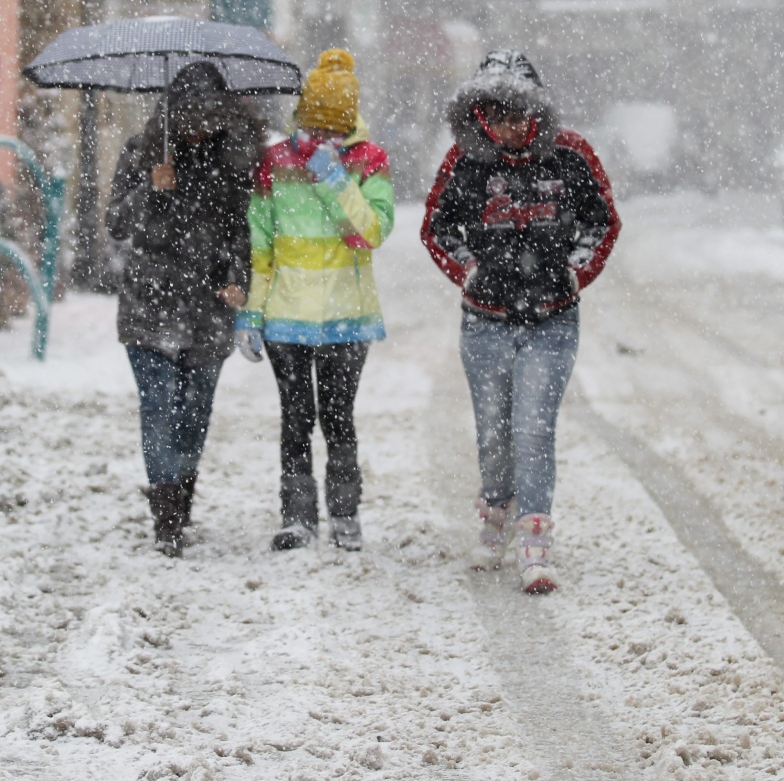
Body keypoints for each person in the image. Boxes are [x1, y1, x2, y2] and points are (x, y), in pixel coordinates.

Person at [421, 50, 619, 594]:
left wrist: (576, 272)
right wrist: (470, 271)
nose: (510, 128)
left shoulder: (572, 155)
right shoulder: (464, 162)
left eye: (518, 115)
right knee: (493, 429)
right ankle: (493, 516)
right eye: (497, 115)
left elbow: (602, 222)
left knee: (533, 426)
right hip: (484, 322)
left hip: (552, 320)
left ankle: (535, 536)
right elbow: (436, 227)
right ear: (479, 115)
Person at [235, 49, 394, 552]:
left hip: (347, 316)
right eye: (314, 124)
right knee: (296, 418)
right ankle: (297, 517)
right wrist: (251, 313)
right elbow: (262, 248)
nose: (322, 136)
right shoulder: (274, 162)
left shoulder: (370, 160)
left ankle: (345, 515)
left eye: (332, 127)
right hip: (286, 318)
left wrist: (336, 180)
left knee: (339, 417)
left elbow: (371, 232)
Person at [106, 62, 264, 557]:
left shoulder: (236, 161)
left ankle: (181, 494)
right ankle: (166, 516)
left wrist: (239, 279)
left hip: (208, 307)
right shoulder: (142, 152)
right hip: (149, 303)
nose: (200, 127)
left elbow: (243, 230)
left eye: (209, 117)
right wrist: (151, 187)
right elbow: (115, 223)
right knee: (157, 407)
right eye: (192, 116)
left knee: (194, 412)